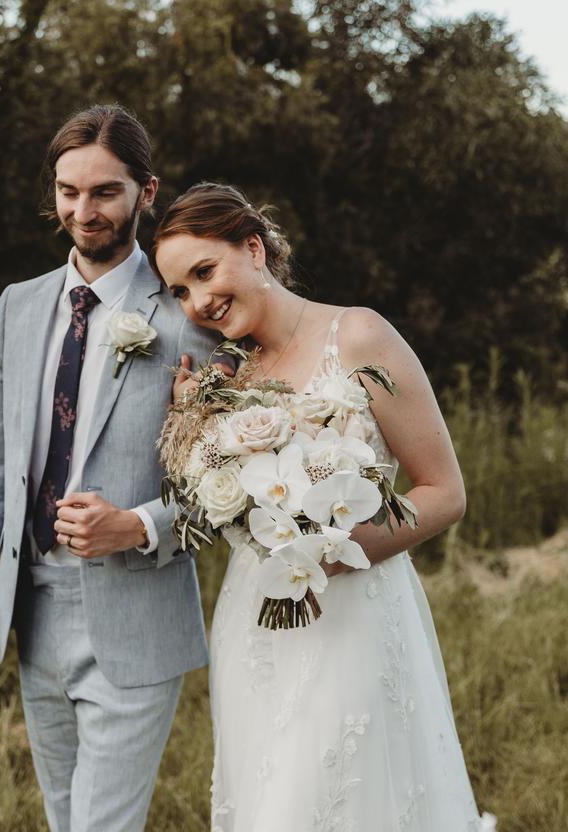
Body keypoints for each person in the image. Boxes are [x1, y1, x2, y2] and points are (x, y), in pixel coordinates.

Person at [151, 182, 496, 832]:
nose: (198, 301)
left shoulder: (360, 336)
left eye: (204, 271)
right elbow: (214, 506)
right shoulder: (225, 381)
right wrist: (194, 429)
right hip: (255, 623)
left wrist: (339, 548)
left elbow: (445, 493)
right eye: (180, 291)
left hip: (353, 620)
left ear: (253, 248)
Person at [0, 106, 220, 832]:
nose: (82, 210)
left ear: (145, 192)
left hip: (136, 614)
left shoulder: (192, 315)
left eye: (104, 192)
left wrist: (138, 525)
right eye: (69, 191)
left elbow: (229, 482)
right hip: (32, 611)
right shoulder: (19, 307)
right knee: (66, 819)